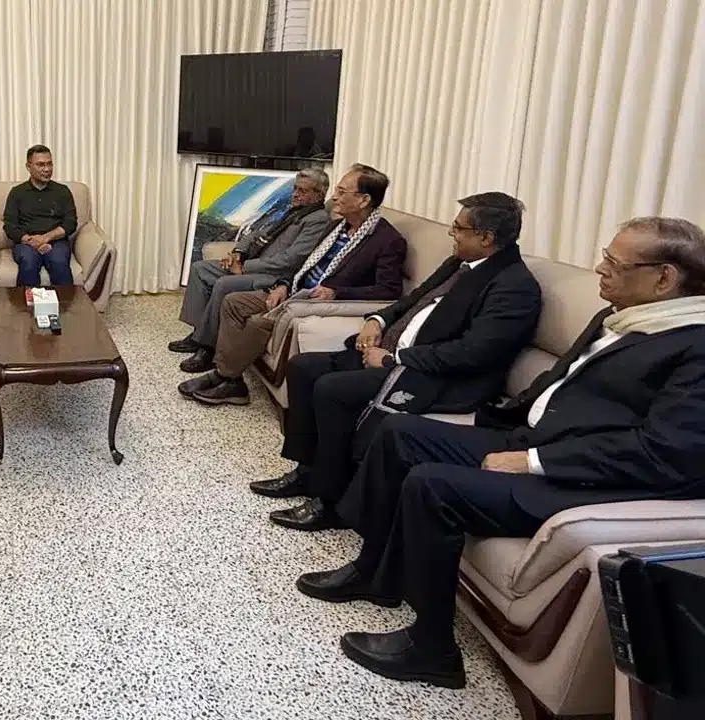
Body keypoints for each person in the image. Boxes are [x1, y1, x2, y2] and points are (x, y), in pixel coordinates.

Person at [298, 217, 705, 689]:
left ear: (664, 278)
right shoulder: (620, 316)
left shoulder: (693, 348)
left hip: (588, 478)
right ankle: (374, 574)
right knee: (399, 434)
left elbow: (665, 453)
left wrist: (533, 463)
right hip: (535, 439)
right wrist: (496, 421)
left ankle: (431, 650)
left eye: (614, 262)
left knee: (433, 484)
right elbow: (555, 384)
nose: (600, 268)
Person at [252, 193, 543, 532]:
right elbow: (412, 300)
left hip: (440, 378)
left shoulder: (514, 287)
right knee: (303, 368)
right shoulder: (460, 263)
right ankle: (308, 472)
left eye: (459, 228)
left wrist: (394, 358)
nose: (452, 233)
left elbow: (472, 353)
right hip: (399, 356)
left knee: (334, 390)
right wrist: (377, 320)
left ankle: (330, 501)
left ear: (486, 238)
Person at [176, 163, 408, 376]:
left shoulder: (387, 240)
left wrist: (336, 292)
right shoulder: (336, 227)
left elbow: (389, 290)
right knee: (225, 294)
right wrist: (278, 281)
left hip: (312, 296)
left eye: (341, 191)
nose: (334, 197)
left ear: (363, 200)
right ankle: (213, 355)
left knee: (232, 294)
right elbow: (302, 263)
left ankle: (222, 372)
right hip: (293, 286)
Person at [172, 167, 332, 363]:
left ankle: (208, 347)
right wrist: (238, 253)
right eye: (295, 188)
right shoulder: (293, 210)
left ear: (318, 195)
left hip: (274, 276)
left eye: (303, 191)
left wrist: (245, 267)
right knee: (200, 269)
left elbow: (291, 259)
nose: (295, 194)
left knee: (224, 284)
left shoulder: (318, 219)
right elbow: (256, 233)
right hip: (253, 262)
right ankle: (198, 334)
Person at [3, 144, 77, 287]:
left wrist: (46, 238)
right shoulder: (17, 193)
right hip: (26, 243)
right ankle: (27, 302)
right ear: (28, 166)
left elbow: (70, 223)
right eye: (41, 165)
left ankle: (65, 302)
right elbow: (10, 226)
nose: (47, 169)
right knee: (28, 262)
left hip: (56, 242)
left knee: (59, 262)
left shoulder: (62, 191)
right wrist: (30, 241)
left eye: (49, 164)